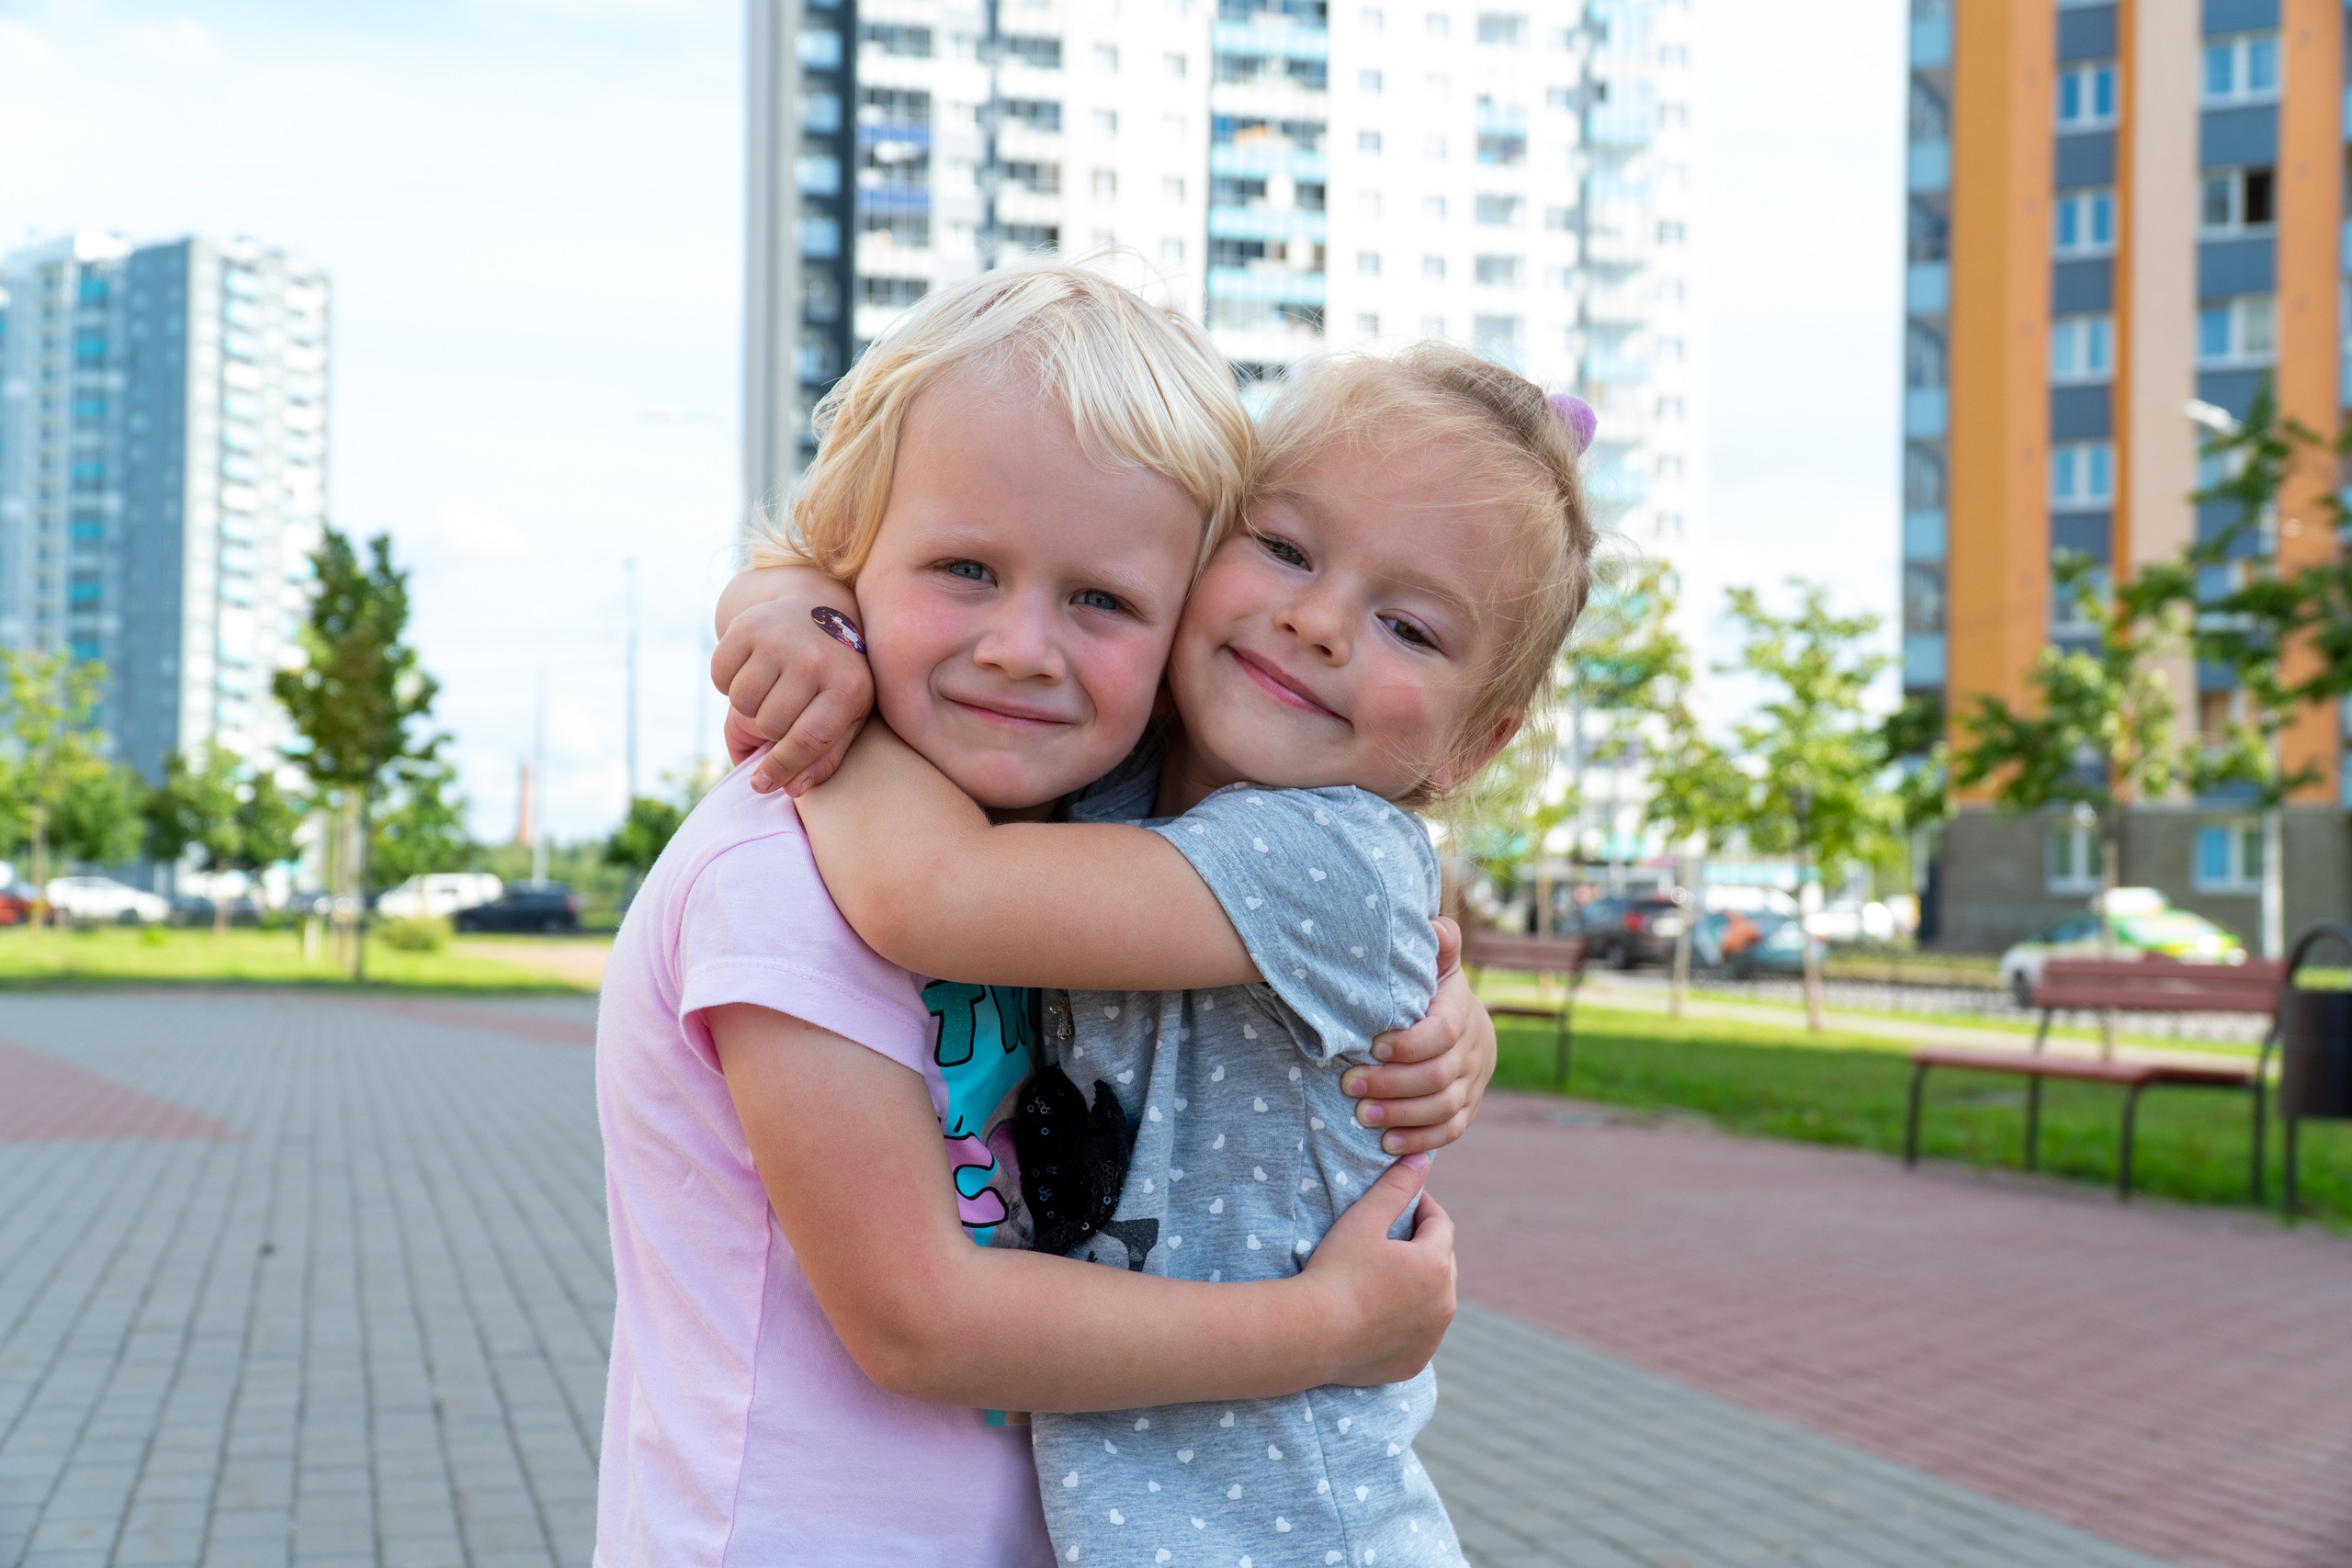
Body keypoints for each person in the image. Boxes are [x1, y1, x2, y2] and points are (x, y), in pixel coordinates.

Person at [595, 265, 1496, 1568]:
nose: (1022, 646)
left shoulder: (1070, 844)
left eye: (1102, 600)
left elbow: (1331, 929)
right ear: (852, 559)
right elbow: (915, 1319)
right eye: (965, 568)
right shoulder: (779, 872)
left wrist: (1447, 1014)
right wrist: (1329, 1330)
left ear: (1187, 627)